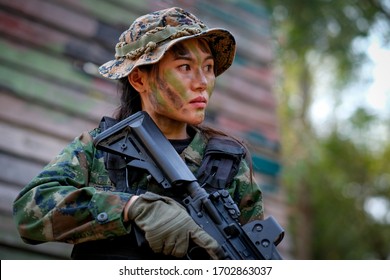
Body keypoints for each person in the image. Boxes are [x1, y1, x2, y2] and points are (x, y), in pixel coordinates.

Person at [13, 7, 264, 260]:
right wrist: (130, 208)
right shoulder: (101, 147)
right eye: (185, 66)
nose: (202, 82)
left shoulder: (229, 163)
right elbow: (29, 212)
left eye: (208, 67)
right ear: (139, 80)